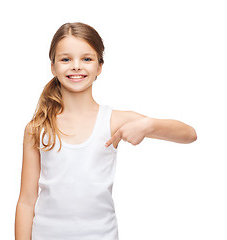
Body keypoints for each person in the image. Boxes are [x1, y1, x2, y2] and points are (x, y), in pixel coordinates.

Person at [14, 22, 197, 240]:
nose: (76, 66)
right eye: (66, 59)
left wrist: (149, 125)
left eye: (86, 59)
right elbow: (26, 200)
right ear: (52, 66)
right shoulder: (38, 128)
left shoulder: (114, 120)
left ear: (99, 67)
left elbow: (189, 134)